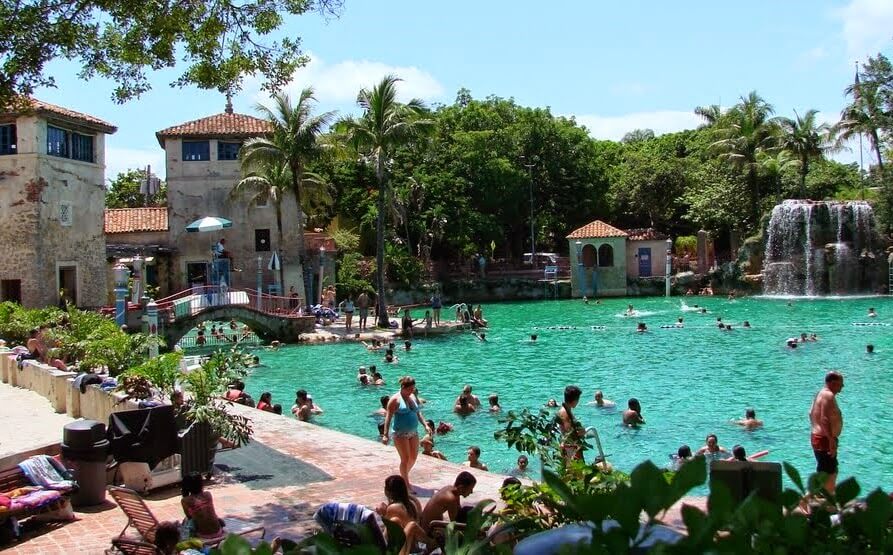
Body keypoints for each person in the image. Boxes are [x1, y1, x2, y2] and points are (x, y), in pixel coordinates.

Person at [382, 376, 433, 490]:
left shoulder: (413, 397)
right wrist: (385, 435)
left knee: (413, 458)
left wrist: (425, 425)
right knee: (405, 459)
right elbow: (388, 418)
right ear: (403, 387)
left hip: (413, 432)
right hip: (400, 434)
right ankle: (406, 485)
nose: (412, 391)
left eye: (413, 388)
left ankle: (402, 477)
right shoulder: (395, 400)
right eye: (410, 389)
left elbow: (418, 413)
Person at [376, 475, 432, 555]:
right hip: (413, 543)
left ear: (389, 491)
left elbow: (389, 530)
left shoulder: (393, 507)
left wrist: (383, 514)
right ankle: (431, 542)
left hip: (405, 545)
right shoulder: (413, 502)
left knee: (395, 521)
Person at [809, 371, 844, 493]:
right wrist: (830, 440)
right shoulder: (828, 395)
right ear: (833, 383)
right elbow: (824, 419)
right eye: (840, 385)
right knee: (830, 473)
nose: (841, 389)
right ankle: (827, 502)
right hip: (824, 439)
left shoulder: (819, 393)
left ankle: (813, 496)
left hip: (818, 437)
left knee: (826, 471)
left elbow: (810, 413)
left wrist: (815, 428)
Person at [181, 472, 223, 540]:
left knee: (186, 521)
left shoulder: (185, 500)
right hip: (218, 532)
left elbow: (189, 517)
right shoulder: (208, 494)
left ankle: (190, 538)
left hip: (204, 536)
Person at [557, 385, 586, 460]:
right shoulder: (565, 413)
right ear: (575, 400)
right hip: (570, 449)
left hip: (570, 448)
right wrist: (582, 432)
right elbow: (569, 433)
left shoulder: (566, 410)